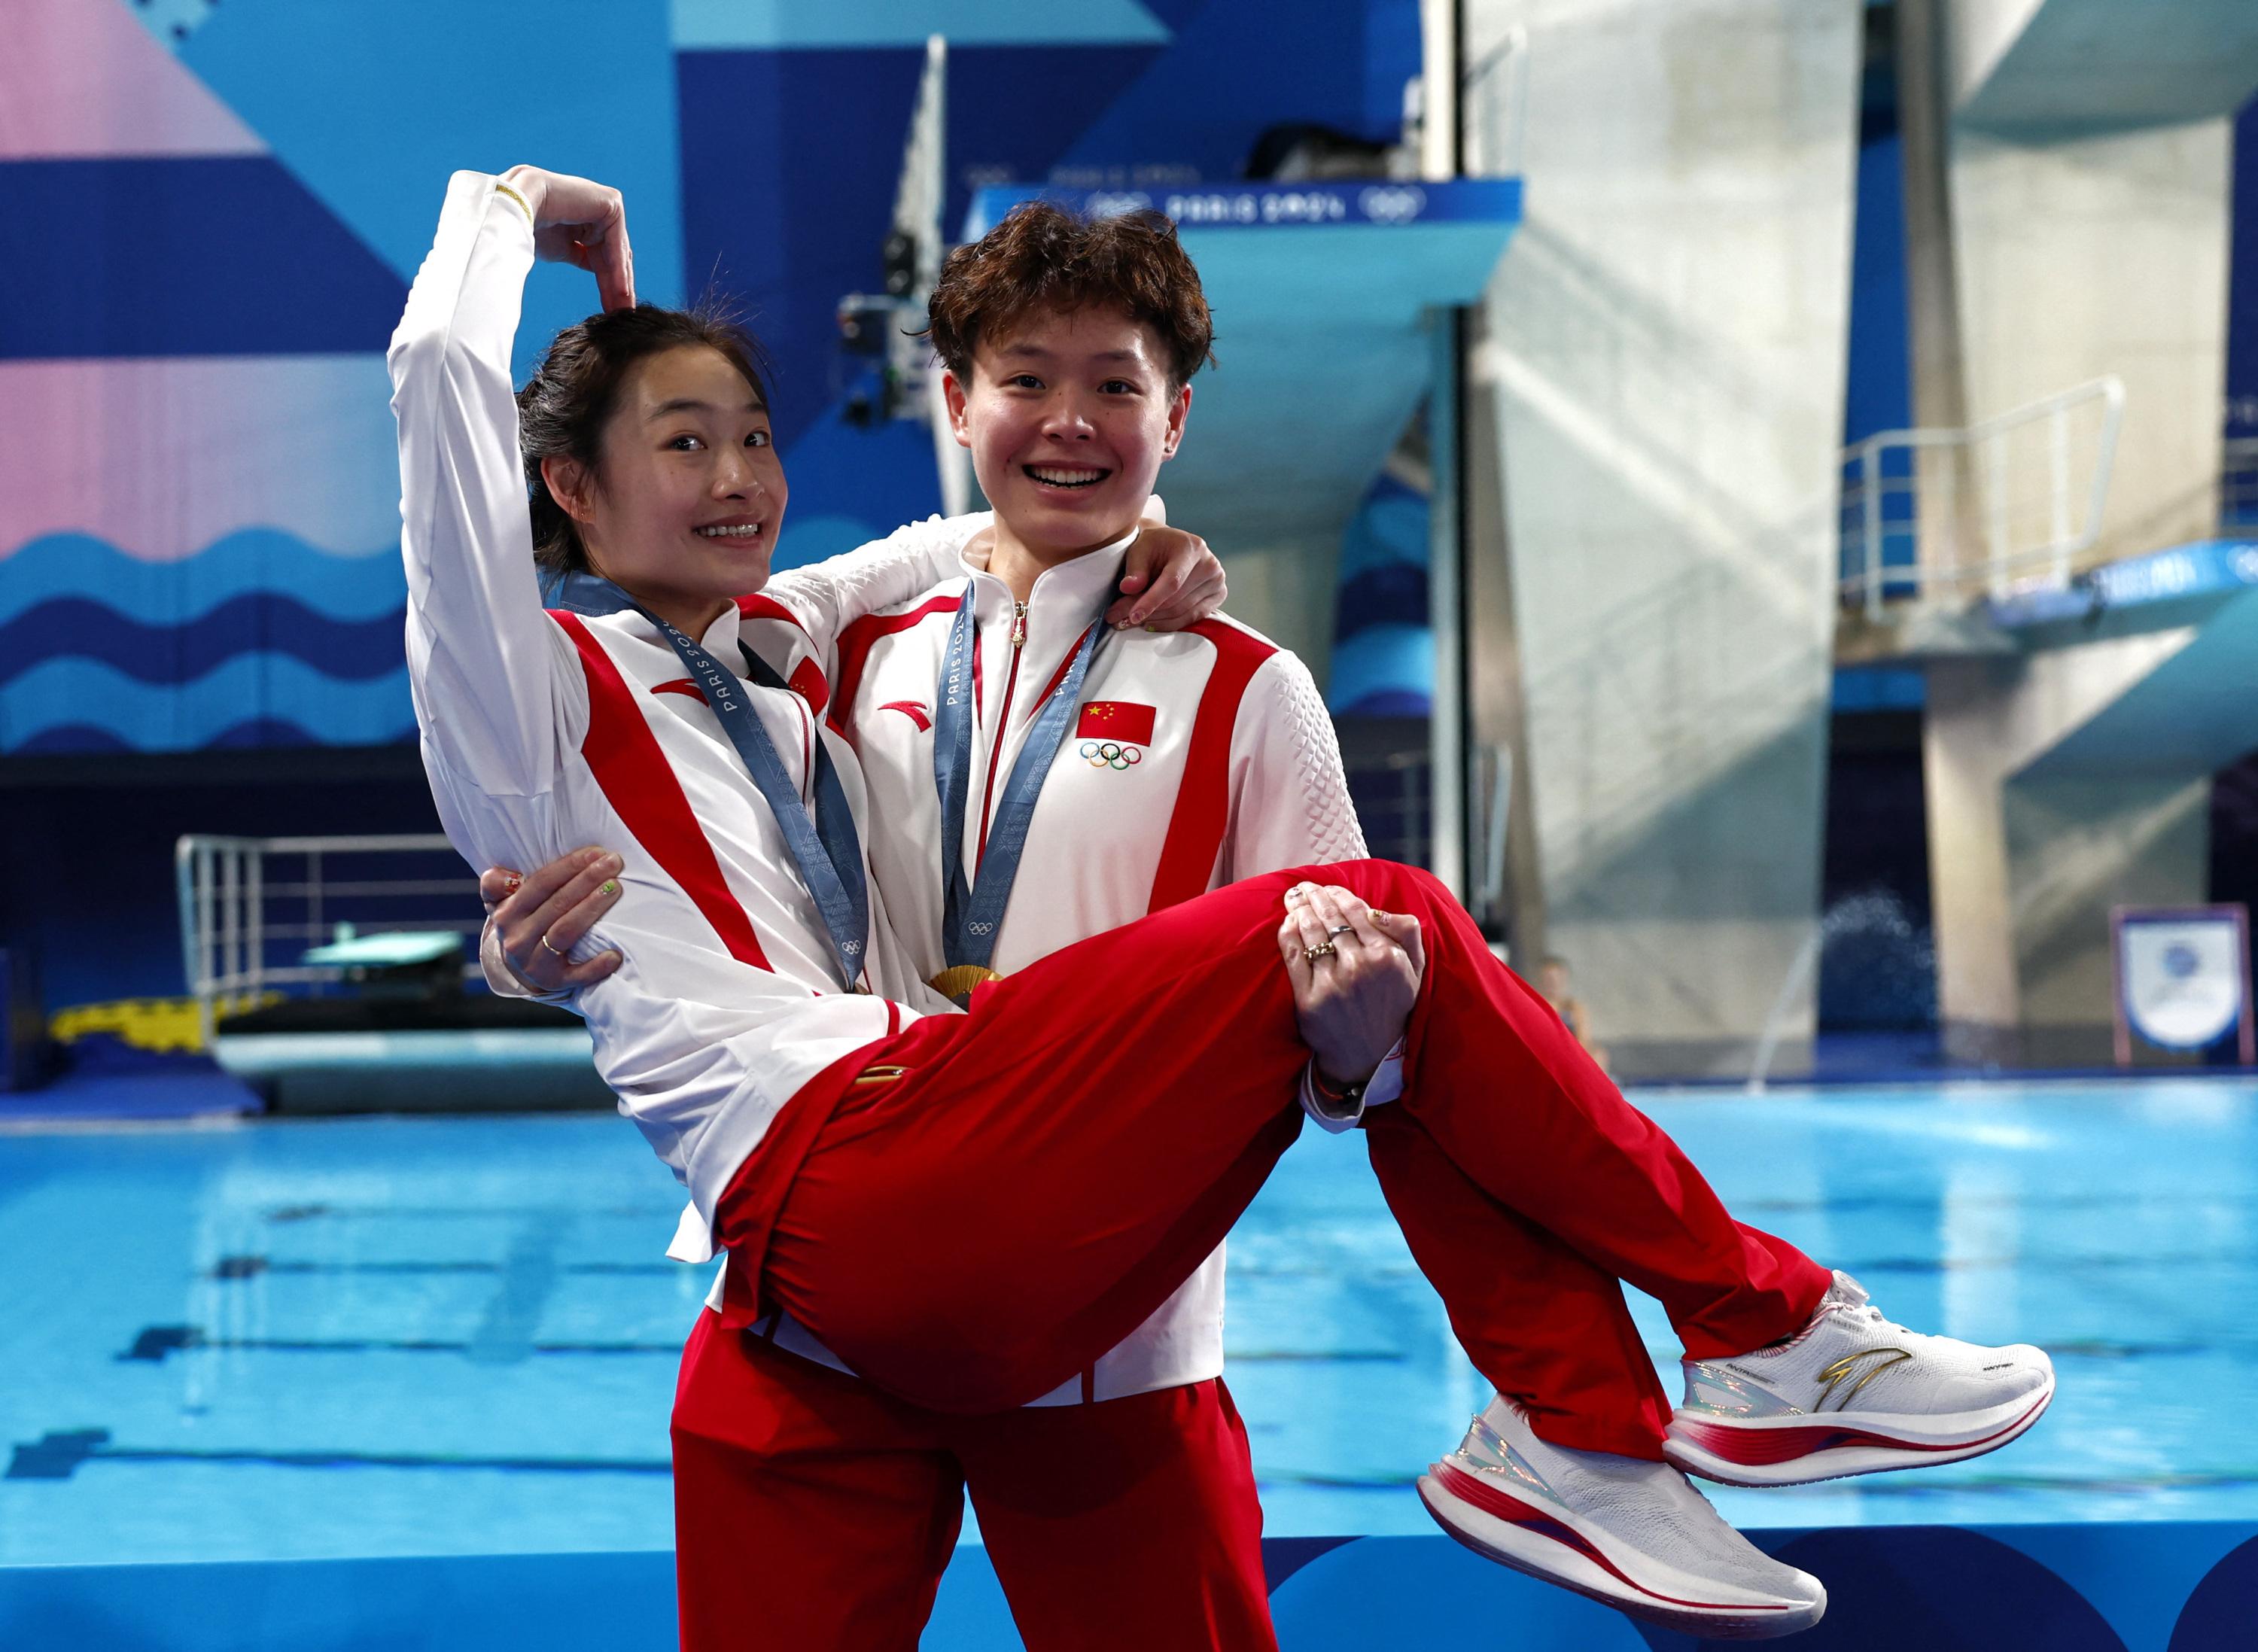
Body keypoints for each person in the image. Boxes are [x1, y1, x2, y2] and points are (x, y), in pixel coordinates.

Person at [396, 166, 2055, 1646]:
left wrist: (1348, 1046)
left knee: (1383, 931)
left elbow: (1389, 1058)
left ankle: (1623, 1412)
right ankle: (1698, 1367)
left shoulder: (1237, 689)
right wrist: (525, 957)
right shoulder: (802, 653)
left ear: (1175, 419)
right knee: (1385, 899)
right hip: (827, 1259)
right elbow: (544, 522)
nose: (1068, 421)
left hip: (1098, 1301)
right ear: (953, 400)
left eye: (1114, 391)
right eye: (1023, 384)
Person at [1538, 954, 1609, 1072]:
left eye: (1558, 978)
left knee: (1599, 1054)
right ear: (1542, 980)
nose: (1554, 983)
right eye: (1550, 979)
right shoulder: (1538, 1006)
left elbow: (1584, 1039)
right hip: (1548, 1053)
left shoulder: (1573, 1008)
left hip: (1570, 1054)